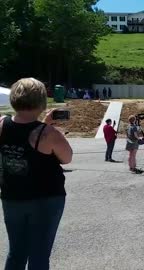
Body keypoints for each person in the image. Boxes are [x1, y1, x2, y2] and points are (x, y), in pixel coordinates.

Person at [0, 78, 73, 269]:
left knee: (16, 252)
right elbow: (67, 158)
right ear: (41, 102)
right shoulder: (47, 133)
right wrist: (46, 125)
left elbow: (22, 130)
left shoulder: (1, 124)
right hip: (45, 199)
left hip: (12, 196)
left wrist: (42, 124)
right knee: (39, 255)